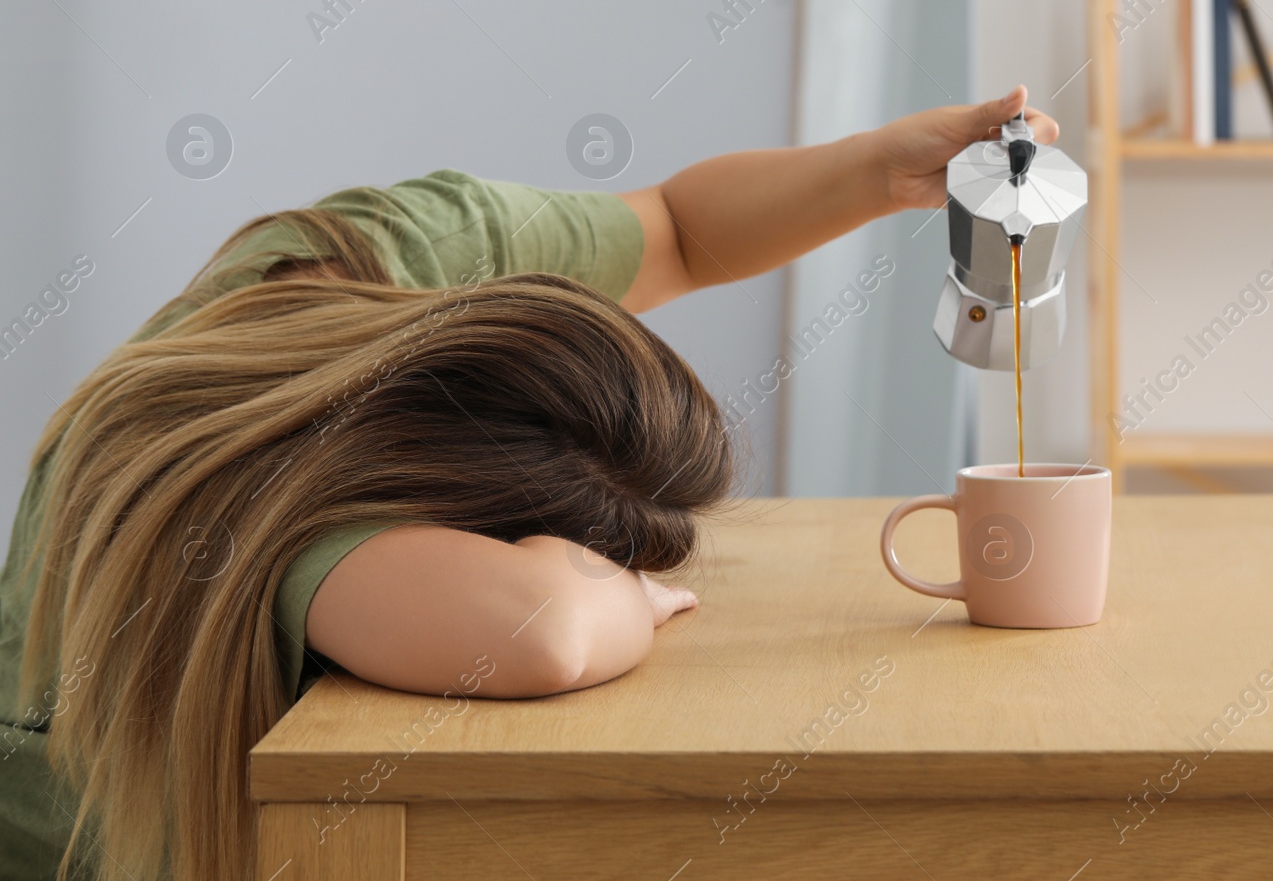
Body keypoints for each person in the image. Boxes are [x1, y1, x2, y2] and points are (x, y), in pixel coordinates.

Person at [0, 87, 1058, 881]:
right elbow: (544, 628)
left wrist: (886, 169)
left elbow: (681, 231)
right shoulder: (268, 511)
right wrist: (623, 594)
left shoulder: (404, 256)